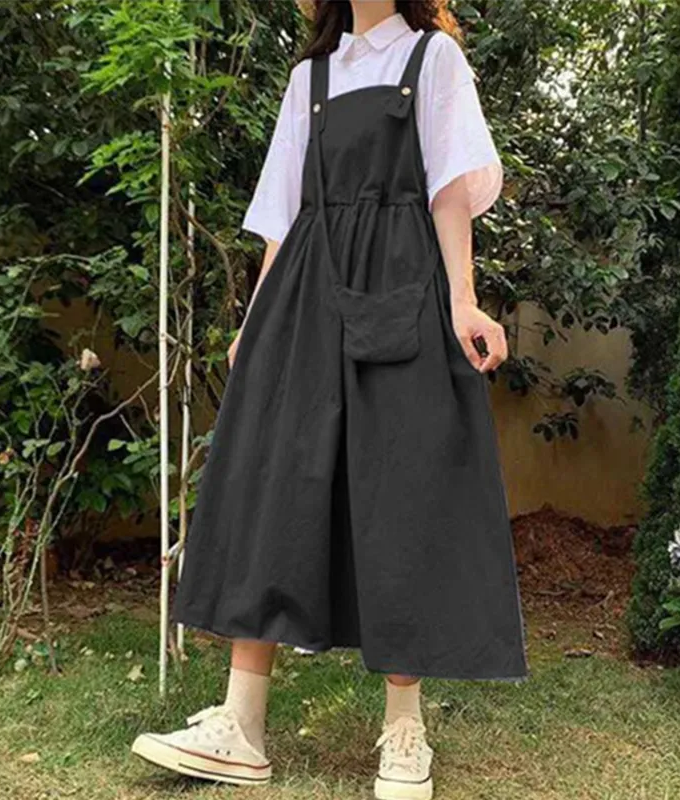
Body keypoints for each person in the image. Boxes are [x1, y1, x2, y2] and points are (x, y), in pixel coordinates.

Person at [131, 2, 528, 798]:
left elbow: (449, 190)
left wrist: (462, 300)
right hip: (306, 293)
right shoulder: (309, 77)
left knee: (403, 489)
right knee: (277, 483)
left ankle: (405, 731)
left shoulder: (433, 60)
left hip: (402, 283)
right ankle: (241, 725)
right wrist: (256, 324)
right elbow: (282, 215)